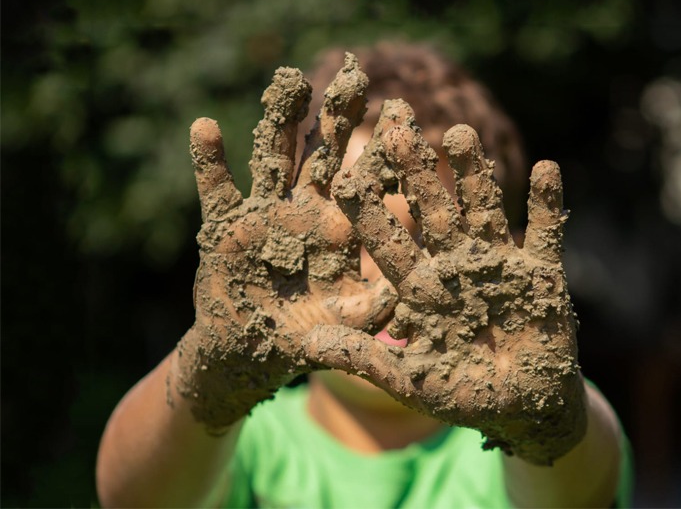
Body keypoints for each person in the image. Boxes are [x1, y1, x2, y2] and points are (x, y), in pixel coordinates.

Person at [95, 41, 633, 508]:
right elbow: (134, 496)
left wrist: (541, 423)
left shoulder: (521, 435)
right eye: (353, 237)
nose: (390, 272)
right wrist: (214, 377)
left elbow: (576, 490)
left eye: (427, 241)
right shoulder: (245, 441)